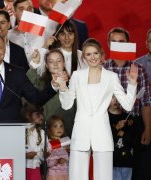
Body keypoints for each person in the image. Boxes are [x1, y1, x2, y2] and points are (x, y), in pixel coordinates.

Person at [57, 38, 138, 180]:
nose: (92, 57)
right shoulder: (77, 76)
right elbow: (67, 105)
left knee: (104, 177)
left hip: (102, 133)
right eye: (88, 54)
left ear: (101, 54)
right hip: (81, 133)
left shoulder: (111, 77)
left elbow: (127, 105)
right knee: (77, 176)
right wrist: (63, 87)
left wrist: (132, 83)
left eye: (95, 53)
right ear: (84, 57)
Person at [103, 27, 151, 180]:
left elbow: (146, 102)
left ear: (128, 43)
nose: (118, 45)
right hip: (109, 126)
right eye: (114, 42)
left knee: (138, 170)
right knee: (112, 172)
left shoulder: (139, 69)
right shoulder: (102, 69)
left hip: (134, 124)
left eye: (122, 42)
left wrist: (148, 128)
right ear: (109, 45)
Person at [27, 49, 75, 137]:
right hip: (45, 133)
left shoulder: (73, 83)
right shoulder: (40, 83)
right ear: (47, 65)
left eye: (58, 61)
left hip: (69, 133)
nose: (55, 64)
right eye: (51, 61)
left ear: (64, 62)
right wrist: (34, 64)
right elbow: (28, 85)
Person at [108, 96, 135, 180]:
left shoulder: (127, 117)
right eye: (112, 97)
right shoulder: (104, 117)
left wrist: (124, 134)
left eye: (117, 97)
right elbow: (104, 139)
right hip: (112, 162)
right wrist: (116, 128)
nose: (115, 100)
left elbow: (133, 139)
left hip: (127, 161)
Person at [23, 103, 45, 180]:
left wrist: (45, 154)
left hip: (35, 169)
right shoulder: (20, 131)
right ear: (28, 115)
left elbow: (43, 155)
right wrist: (25, 156)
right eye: (38, 114)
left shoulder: (42, 133)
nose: (41, 116)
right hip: (21, 169)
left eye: (42, 114)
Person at [45, 115, 69, 180]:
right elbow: (48, 162)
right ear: (49, 129)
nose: (59, 129)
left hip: (65, 174)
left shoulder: (66, 142)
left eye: (61, 126)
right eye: (55, 126)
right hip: (53, 175)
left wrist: (68, 151)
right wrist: (57, 161)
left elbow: (69, 160)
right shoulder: (49, 143)